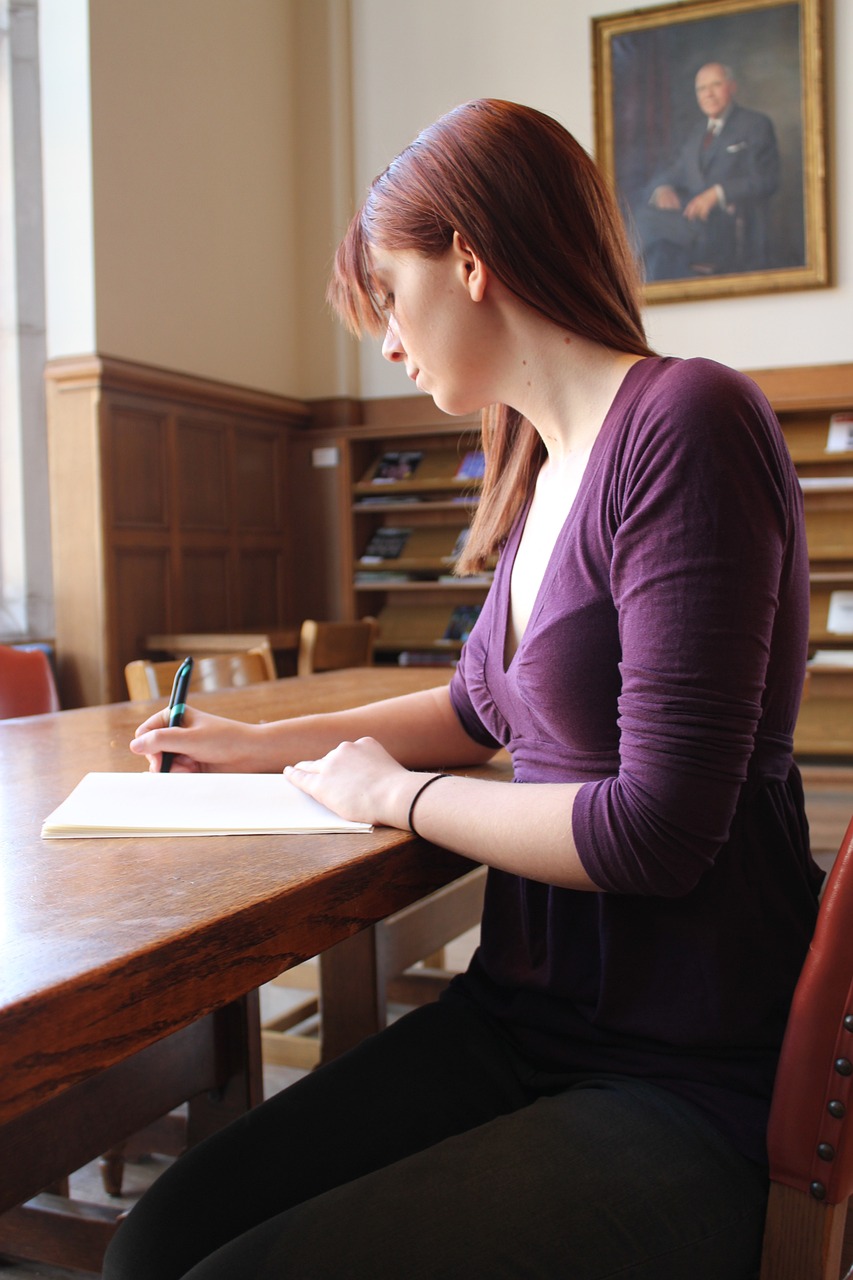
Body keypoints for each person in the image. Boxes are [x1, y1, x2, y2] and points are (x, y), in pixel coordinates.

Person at [103, 98, 822, 1280]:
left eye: (388, 295)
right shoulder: (542, 469)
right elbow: (475, 709)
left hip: (685, 1059)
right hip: (527, 1011)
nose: (384, 340)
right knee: (153, 1246)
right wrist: (262, 742)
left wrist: (398, 798)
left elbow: (657, 831)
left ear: (471, 260)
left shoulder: (688, 420)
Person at [635, 63, 780, 280]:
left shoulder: (755, 124)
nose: (708, 94)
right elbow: (675, 170)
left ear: (732, 87)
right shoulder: (696, 133)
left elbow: (766, 179)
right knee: (645, 229)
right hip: (691, 224)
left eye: (716, 85)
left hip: (730, 225)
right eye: (701, 89)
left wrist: (718, 193)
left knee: (644, 224)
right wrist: (663, 187)